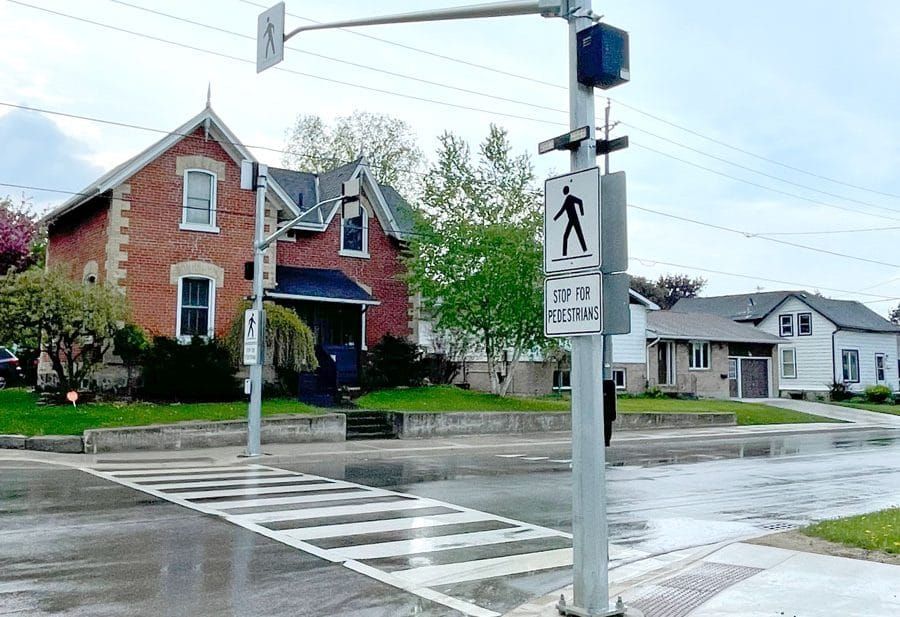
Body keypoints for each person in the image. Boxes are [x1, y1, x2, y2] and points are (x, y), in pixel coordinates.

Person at [553, 185, 587, 256]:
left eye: (564, 191)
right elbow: (562, 210)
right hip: (571, 219)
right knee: (567, 236)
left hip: (574, 219)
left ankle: (584, 250)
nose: (563, 192)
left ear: (566, 191)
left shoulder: (570, 197)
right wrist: (555, 219)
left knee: (578, 235)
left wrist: (582, 213)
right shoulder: (567, 199)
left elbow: (580, 201)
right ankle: (564, 254)